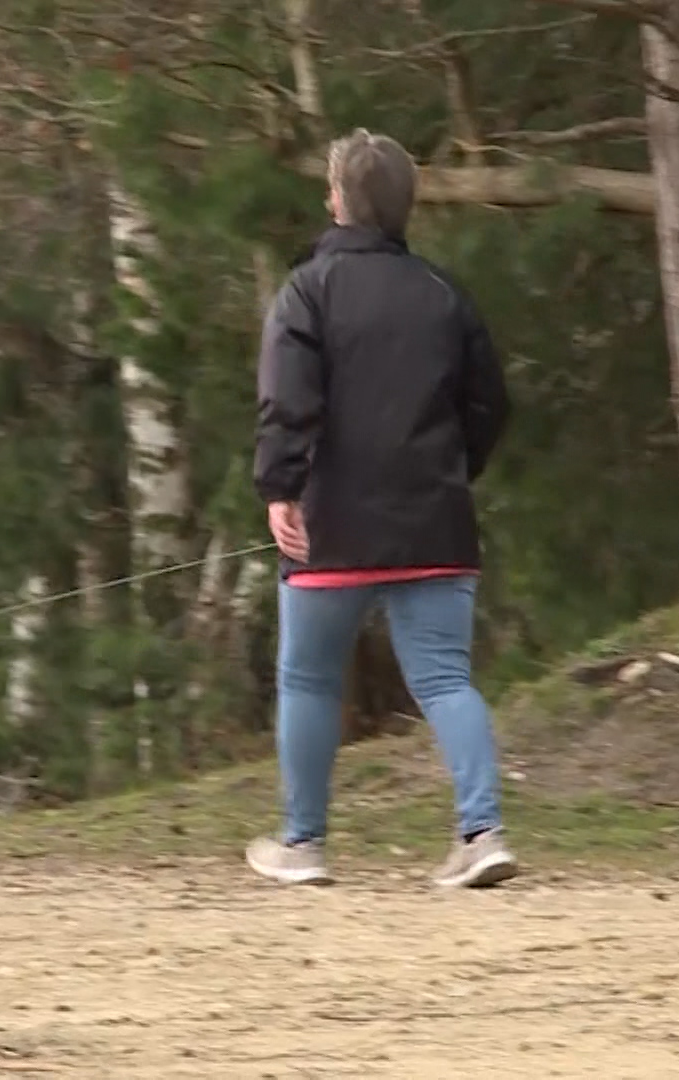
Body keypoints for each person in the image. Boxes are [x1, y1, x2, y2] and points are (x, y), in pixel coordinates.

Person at [246, 129, 515, 889]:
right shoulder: (443, 293)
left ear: (337, 200)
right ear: (405, 206)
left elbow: (287, 400)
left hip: (330, 527)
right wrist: (454, 470)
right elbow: (490, 404)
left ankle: (303, 844)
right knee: (446, 680)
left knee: (308, 681)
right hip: (435, 520)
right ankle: (483, 832)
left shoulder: (306, 291)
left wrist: (279, 488)